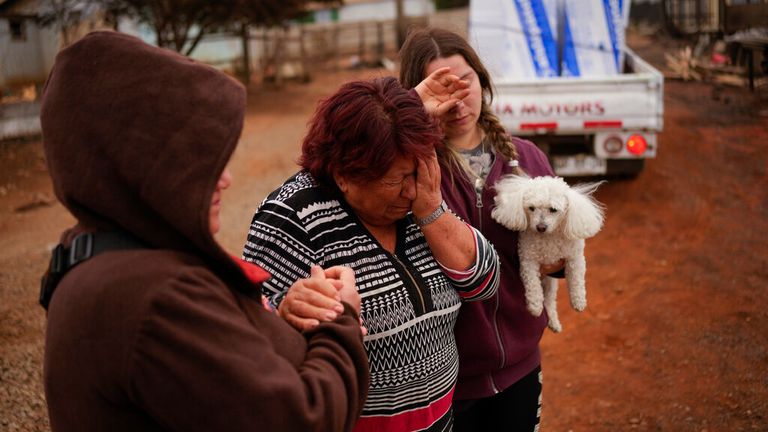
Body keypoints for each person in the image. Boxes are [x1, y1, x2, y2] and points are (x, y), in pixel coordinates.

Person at [39, 31, 369, 431]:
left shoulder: (94, 255)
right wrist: (340, 320)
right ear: (142, 167)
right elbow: (303, 419)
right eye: (198, 163)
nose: (227, 180)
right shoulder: (159, 299)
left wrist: (282, 325)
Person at [242, 76, 501, 431]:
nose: (411, 191)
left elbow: (484, 283)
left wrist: (432, 211)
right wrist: (287, 316)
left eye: (414, 173)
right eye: (396, 181)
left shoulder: (421, 198)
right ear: (344, 174)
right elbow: (256, 345)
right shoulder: (290, 216)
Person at [399, 27, 564, 431]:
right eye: (442, 89)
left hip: (520, 366)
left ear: (482, 78)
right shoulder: (410, 171)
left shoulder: (525, 158)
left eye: (465, 81)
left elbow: (559, 256)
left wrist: (557, 260)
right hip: (444, 380)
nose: (457, 101)